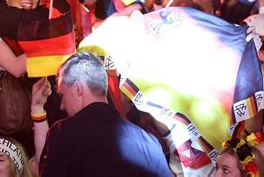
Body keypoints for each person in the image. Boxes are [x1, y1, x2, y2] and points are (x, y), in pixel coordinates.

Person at [39, 52, 171, 176]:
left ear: (78, 88)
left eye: (62, 95)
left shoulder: (63, 133)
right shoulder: (150, 144)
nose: (62, 105)